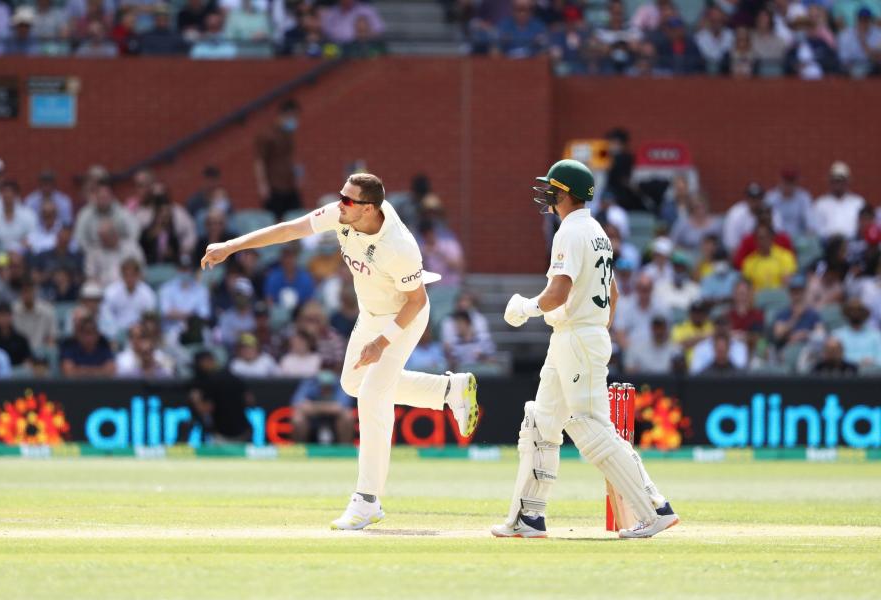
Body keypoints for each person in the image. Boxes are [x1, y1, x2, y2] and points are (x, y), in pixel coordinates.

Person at [200, 172, 479, 530]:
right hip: (370, 313)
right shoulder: (342, 213)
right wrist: (230, 246)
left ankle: (367, 502)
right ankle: (449, 390)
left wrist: (382, 343)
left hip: (404, 318)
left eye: (348, 200)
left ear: (369, 209)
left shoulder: (399, 245)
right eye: (341, 197)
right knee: (353, 385)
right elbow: (290, 229)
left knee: (373, 396)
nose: (339, 204)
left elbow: (416, 300)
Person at [492, 159, 676, 539]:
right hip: (574, 336)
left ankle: (655, 507)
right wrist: (593, 328)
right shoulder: (598, 233)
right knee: (541, 422)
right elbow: (613, 294)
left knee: (591, 428)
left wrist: (526, 308)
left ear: (565, 193)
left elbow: (558, 291)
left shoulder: (571, 233)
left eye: (552, 189)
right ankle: (528, 517)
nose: (546, 195)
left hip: (575, 336)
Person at [254, 99, 302, 221]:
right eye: (293, 116)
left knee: (296, 217)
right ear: (285, 114)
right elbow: (259, 161)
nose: (295, 120)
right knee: (275, 220)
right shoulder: (267, 135)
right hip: (274, 186)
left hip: (289, 184)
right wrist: (263, 185)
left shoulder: (288, 134)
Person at [290, 369, 355, 444]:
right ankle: (300, 449)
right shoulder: (310, 383)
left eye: (328, 387)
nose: (325, 389)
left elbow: (341, 407)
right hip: (312, 420)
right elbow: (298, 403)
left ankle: (345, 450)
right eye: (323, 387)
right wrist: (329, 408)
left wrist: (314, 407)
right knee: (298, 418)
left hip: (334, 420)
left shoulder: (340, 383)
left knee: (347, 416)